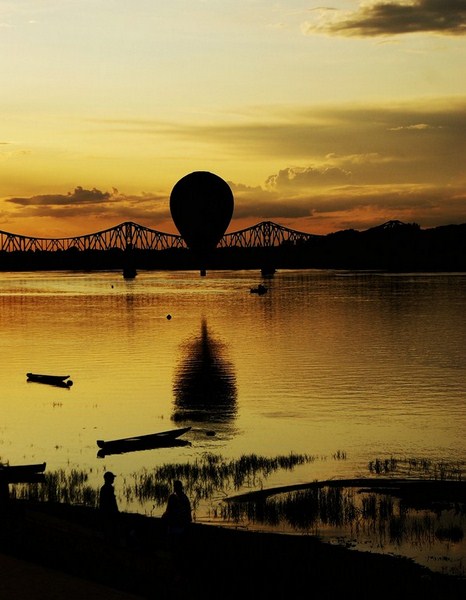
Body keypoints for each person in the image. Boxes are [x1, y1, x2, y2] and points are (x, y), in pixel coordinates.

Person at [99, 471, 119, 541]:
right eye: (112, 478)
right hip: (108, 511)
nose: (113, 479)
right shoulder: (108, 488)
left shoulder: (104, 488)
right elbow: (111, 501)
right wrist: (115, 510)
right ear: (108, 479)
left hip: (105, 511)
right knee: (110, 526)